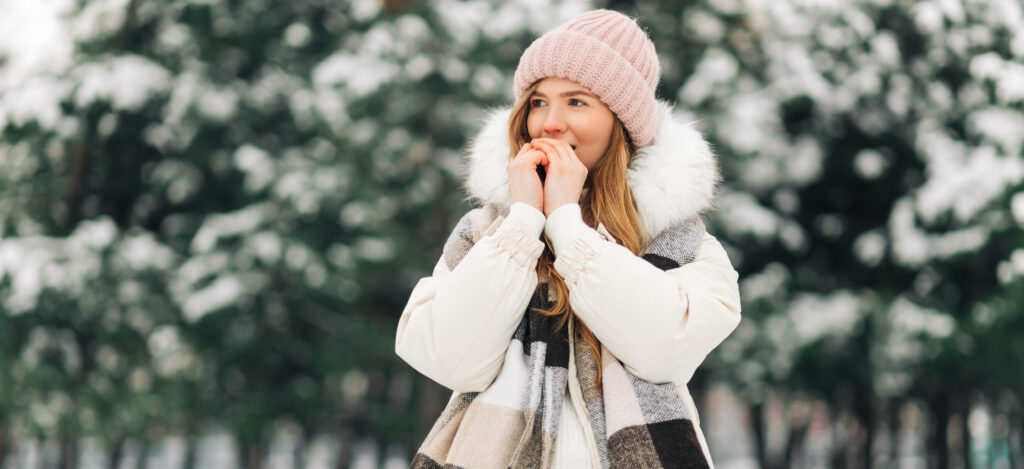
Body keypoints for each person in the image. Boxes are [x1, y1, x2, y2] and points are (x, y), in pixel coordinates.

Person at [395, 9, 741, 469]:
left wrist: (566, 225)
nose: (550, 123)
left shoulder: (679, 242)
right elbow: (446, 360)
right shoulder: (486, 233)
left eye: (577, 102)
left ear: (621, 122)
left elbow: (664, 352)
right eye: (538, 101)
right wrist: (522, 223)